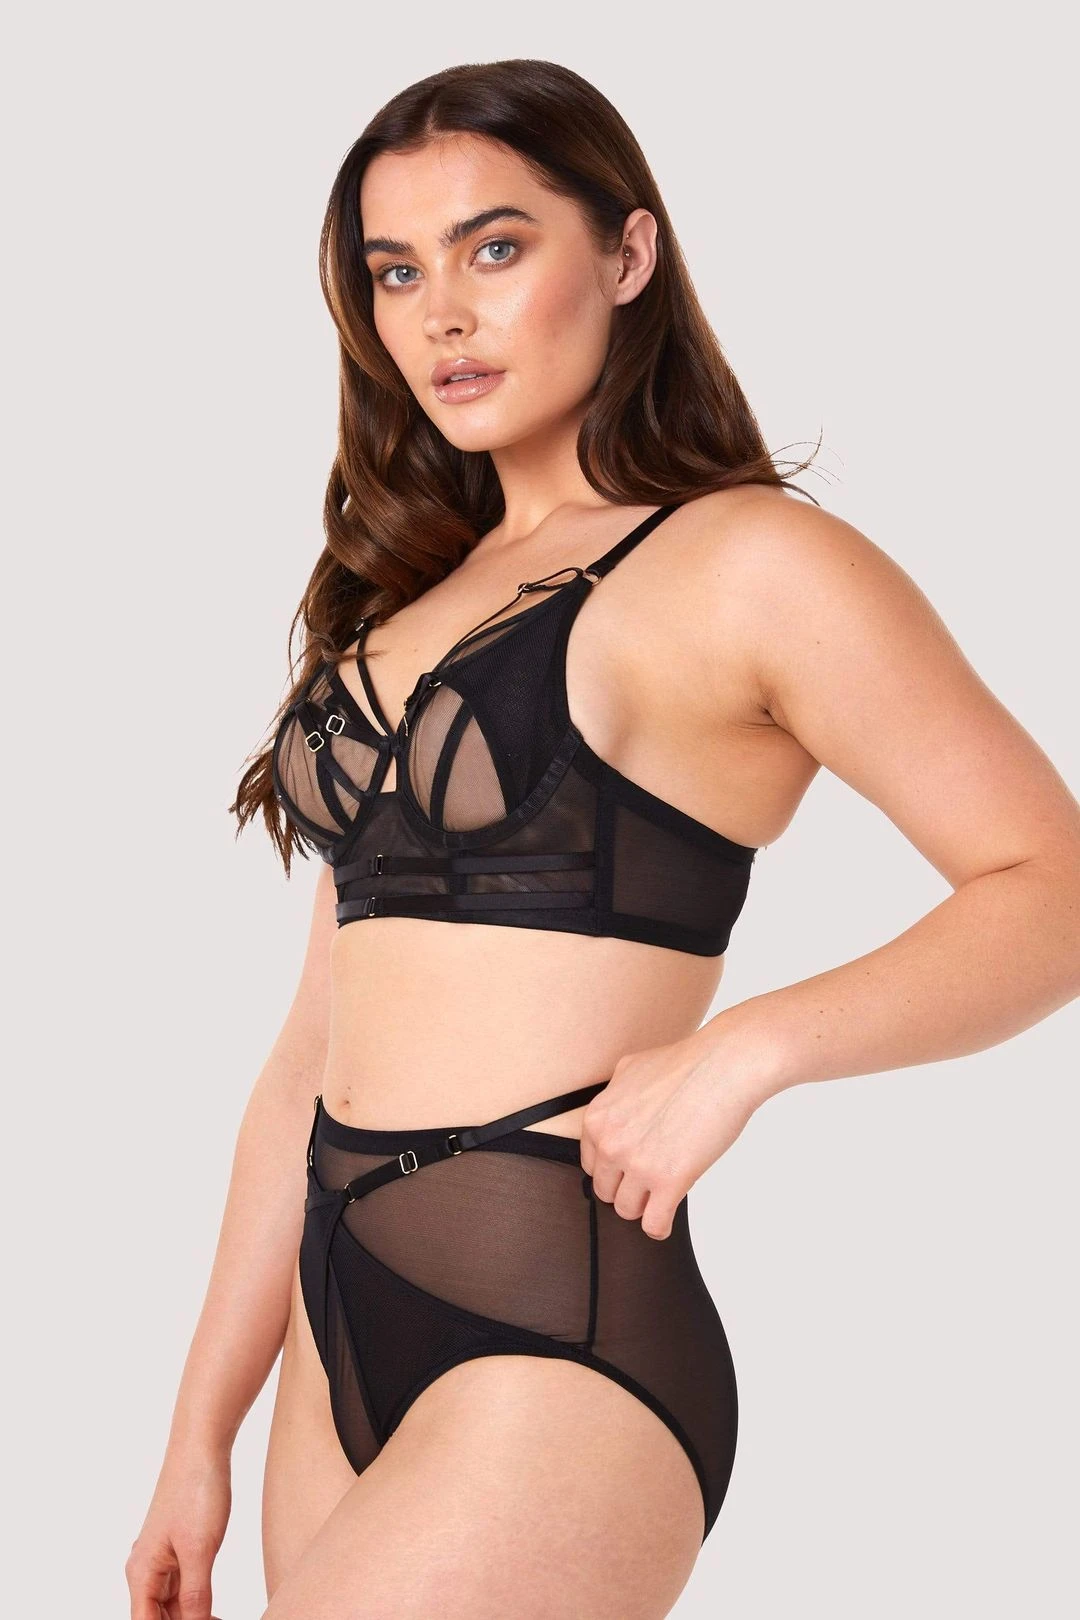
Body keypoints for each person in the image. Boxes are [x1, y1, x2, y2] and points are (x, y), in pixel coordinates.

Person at [125, 59, 1080, 1620]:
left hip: (554, 1330)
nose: (443, 314)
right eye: (396, 272)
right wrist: (195, 1432)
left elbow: (1054, 887)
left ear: (629, 255)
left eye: (495, 248)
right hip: (330, 1333)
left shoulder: (749, 563)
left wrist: (747, 1051)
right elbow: (308, 1054)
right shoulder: (400, 603)